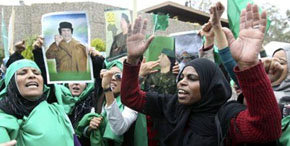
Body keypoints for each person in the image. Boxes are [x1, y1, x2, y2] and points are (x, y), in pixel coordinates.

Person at [121, 3, 281, 146]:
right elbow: (130, 97)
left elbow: (266, 129)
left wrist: (249, 66)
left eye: (192, 78)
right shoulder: (171, 105)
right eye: (181, 77)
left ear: (209, 85)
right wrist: (133, 59)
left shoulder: (226, 117)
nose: (181, 83)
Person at [33, 36, 105, 145]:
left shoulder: (92, 98)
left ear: (87, 83)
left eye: (80, 80)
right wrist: (39, 52)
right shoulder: (57, 96)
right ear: (66, 83)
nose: (76, 83)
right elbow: (46, 78)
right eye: (72, 80)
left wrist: (97, 60)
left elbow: (100, 79)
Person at [0, 59, 79, 146]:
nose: (32, 75)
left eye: (36, 73)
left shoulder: (57, 111)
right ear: (11, 83)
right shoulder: (2, 119)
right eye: (23, 73)